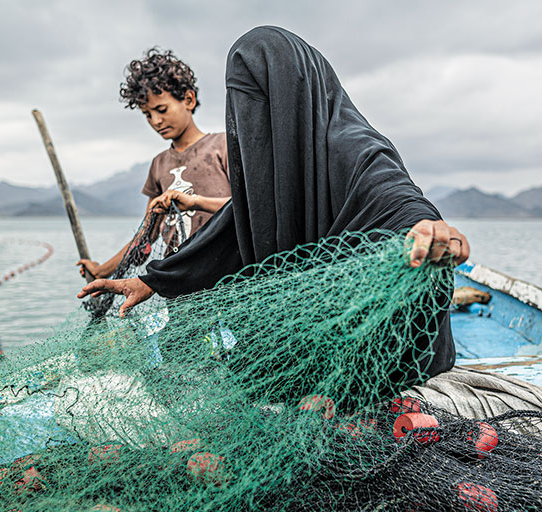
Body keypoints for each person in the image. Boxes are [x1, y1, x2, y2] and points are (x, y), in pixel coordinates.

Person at [79, 26, 469, 380]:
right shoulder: (268, 168)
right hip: (311, 340)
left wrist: (429, 227)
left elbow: (396, 199)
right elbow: (233, 226)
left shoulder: (353, 147)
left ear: (291, 96)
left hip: (376, 349)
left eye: (261, 104)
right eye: (242, 109)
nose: (251, 122)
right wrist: (153, 280)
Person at [76, 49, 231, 280]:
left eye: (161, 110)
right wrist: (102, 270)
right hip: (179, 282)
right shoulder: (159, 165)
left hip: (227, 275)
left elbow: (248, 207)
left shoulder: (223, 145)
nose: (156, 121)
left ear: (188, 100)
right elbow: (147, 236)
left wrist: (196, 202)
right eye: (147, 115)